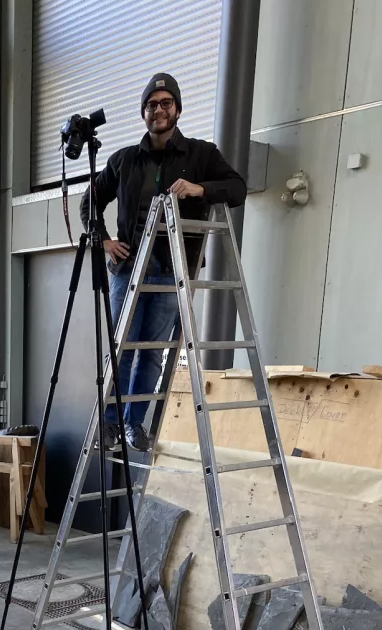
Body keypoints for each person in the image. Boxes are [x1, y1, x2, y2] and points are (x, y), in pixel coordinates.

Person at [81, 72, 247, 451]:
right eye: (152, 105)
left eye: (165, 103)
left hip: (174, 269)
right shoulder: (123, 160)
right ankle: (109, 423)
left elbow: (237, 188)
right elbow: (90, 201)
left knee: (152, 350)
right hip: (129, 270)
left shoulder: (202, 155)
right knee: (121, 346)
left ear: (177, 109)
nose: (158, 110)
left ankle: (132, 424)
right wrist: (104, 240)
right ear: (144, 113)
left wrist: (200, 188)